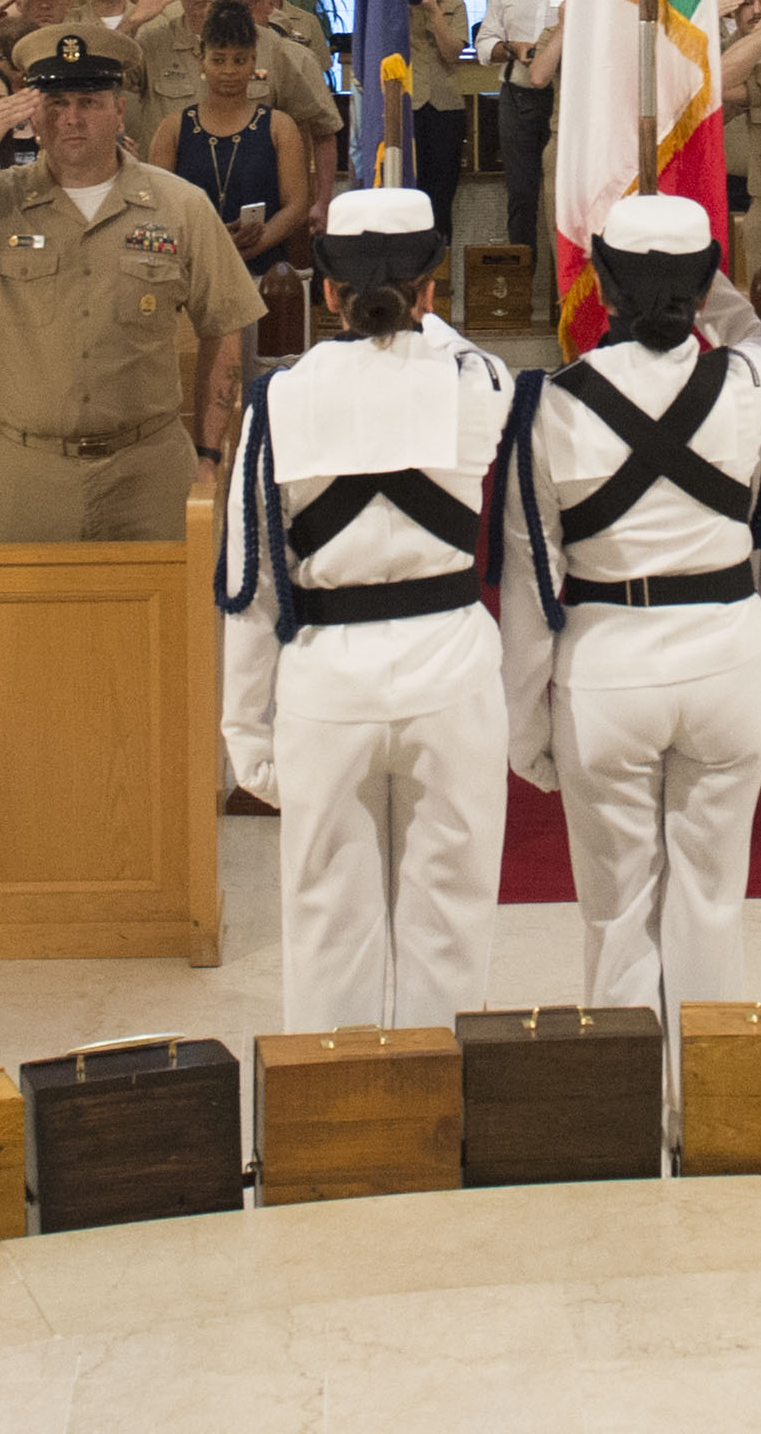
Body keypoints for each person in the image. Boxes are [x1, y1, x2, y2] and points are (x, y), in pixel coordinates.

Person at [218, 186, 512, 1032]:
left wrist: (247, 731)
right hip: (449, 675)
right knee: (451, 922)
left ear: (324, 292)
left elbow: (250, 582)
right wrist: (418, 305)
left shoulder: (279, 403)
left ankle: (338, 1126)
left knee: (325, 928)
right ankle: (437, 1109)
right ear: (433, 289)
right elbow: (460, 350)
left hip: (326, 685)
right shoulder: (482, 387)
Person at [494, 194, 761, 1012]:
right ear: (704, 283)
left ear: (600, 286)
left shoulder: (546, 404)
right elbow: (757, 337)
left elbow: (528, 580)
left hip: (608, 671)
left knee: (617, 917)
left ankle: (626, 1116)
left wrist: (526, 724)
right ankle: (705, 1106)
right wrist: (708, 290)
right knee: (712, 906)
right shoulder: (755, 383)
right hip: (726, 663)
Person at [0, 19, 263, 541]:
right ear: (34, 114)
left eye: (90, 102)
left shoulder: (180, 205)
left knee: (162, 619)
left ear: (119, 109)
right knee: (24, 620)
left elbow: (224, 326)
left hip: (149, 467)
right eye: (55, 103)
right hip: (31, 472)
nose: (72, 118)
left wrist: (208, 454)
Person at [153, 0, 315, 275]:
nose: (228, 70)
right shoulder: (173, 129)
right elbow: (159, 207)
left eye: (239, 60)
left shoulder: (279, 126)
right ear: (200, 60)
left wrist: (255, 244)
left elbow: (297, 205)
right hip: (192, 271)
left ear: (253, 61)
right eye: (218, 59)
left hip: (264, 272)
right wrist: (209, 247)